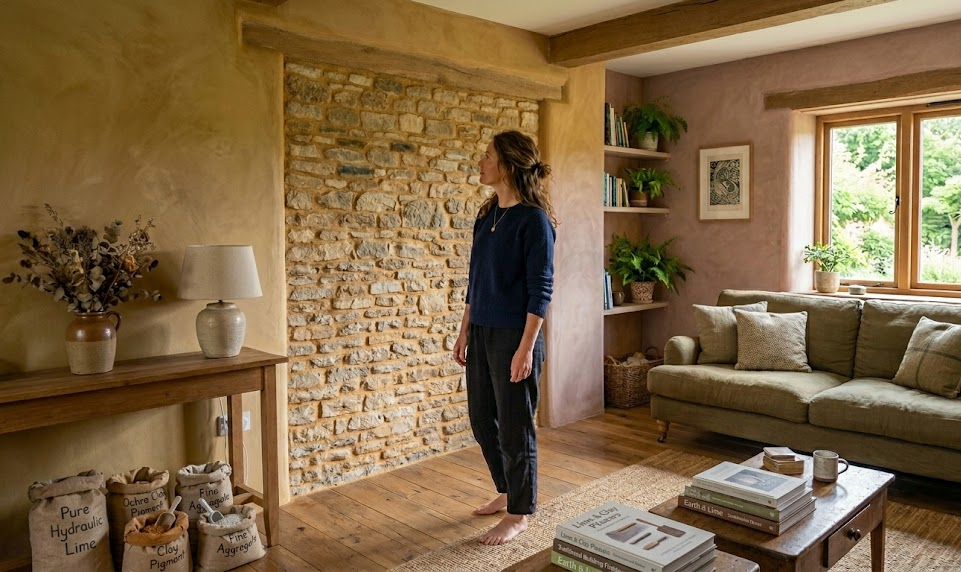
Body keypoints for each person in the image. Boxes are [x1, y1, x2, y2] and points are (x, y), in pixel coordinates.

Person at [452, 130, 557, 545]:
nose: (480, 161)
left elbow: (540, 289)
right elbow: (475, 282)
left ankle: (519, 513)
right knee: (481, 419)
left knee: (516, 427)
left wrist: (526, 348)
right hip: (481, 331)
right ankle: (506, 489)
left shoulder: (534, 221)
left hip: (517, 335)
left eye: (487, 155)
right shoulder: (487, 214)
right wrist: (463, 333)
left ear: (508, 165)